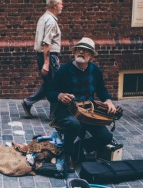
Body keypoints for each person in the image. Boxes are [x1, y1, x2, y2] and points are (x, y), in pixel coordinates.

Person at [48, 37, 118, 172]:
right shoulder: (64, 70)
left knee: (106, 137)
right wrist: (60, 96)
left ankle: (79, 148)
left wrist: (109, 102)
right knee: (74, 124)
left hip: (88, 113)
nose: (81, 52)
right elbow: (50, 92)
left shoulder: (95, 71)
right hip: (66, 111)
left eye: (85, 50)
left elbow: (102, 91)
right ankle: (68, 155)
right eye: (79, 49)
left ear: (91, 55)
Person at [22, 0, 64, 119]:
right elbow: (47, 43)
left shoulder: (43, 18)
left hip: (42, 56)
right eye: (61, 3)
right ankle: (54, 115)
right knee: (57, 85)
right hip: (49, 57)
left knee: (48, 84)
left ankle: (28, 102)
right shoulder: (51, 21)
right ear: (56, 5)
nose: (63, 6)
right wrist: (47, 63)